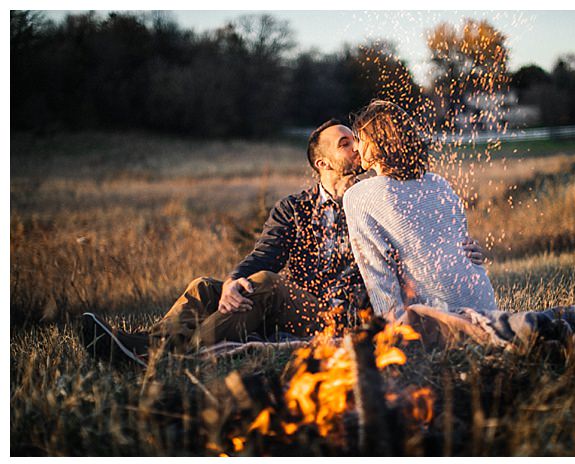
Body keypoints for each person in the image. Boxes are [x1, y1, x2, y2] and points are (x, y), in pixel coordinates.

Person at [80, 117, 491, 366]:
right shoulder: (294, 209)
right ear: (322, 162)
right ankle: (145, 348)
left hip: (350, 318)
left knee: (268, 286)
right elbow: (265, 254)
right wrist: (232, 281)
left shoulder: (378, 197)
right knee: (207, 287)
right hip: (303, 308)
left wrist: (460, 250)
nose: (358, 148)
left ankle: (171, 359)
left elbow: (421, 243)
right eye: (345, 143)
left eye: (357, 140)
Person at [343, 100, 575, 348]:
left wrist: (393, 333)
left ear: (379, 142)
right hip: (482, 298)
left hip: (443, 312)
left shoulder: (359, 196)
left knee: (480, 334)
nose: (355, 147)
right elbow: (461, 248)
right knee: (503, 332)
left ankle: (537, 326)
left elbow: (377, 273)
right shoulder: (438, 183)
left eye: (360, 139)